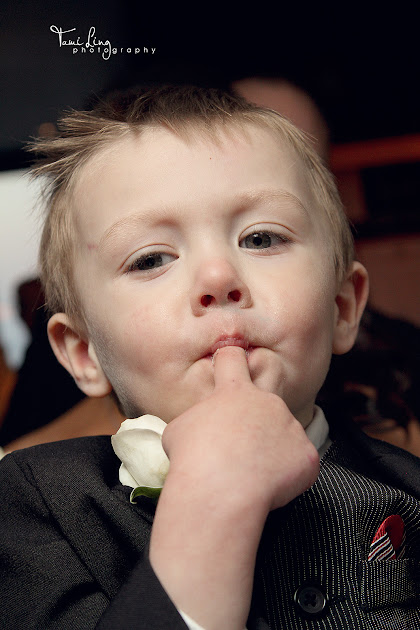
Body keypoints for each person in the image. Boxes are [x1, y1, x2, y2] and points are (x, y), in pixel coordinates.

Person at [0, 85, 419, 630]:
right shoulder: (37, 507)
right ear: (85, 353)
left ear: (341, 308)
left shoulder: (406, 489)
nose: (218, 277)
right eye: (151, 259)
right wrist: (210, 507)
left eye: (261, 239)